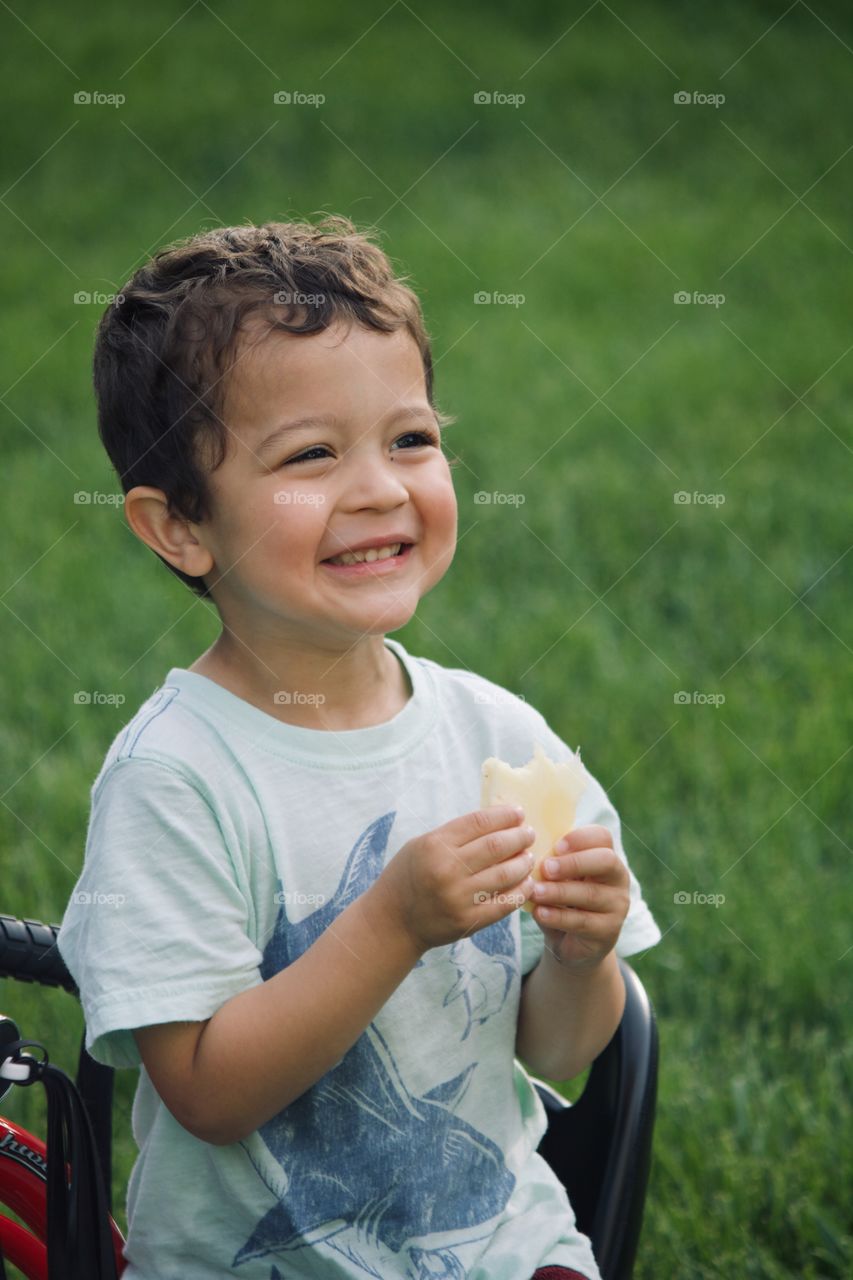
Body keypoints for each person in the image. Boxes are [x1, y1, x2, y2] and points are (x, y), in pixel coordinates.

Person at [58, 214, 662, 1280]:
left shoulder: (499, 734)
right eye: (311, 454)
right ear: (180, 527)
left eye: (411, 439)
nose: (381, 487)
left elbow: (558, 1050)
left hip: (501, 1247)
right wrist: (390, 920)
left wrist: (581, 951)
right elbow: (205, 1091)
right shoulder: (178, 778)